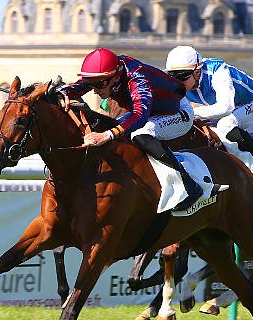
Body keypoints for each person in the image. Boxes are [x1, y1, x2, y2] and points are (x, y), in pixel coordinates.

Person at [58, 48, 202, 210]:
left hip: (178, 112)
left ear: (116, 75)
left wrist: (106, 136)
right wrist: (62, 94)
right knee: (111, 126)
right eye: (92, 85)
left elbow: (140, 116)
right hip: (153, 111)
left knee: (140, 134)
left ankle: (189, 186)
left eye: (100, 85)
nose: (95, 91)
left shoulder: (136, 77)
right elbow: (76, 88)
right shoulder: (107, 74)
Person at [164, 46, 253, 180]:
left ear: (197, 72)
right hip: (225, 108)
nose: (177, 82)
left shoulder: (217, 70)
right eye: (172, 77)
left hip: (250, 103)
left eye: (181, 77)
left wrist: (190, 113)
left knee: (226, 125)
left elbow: (226, 107)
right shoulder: (183, 82)